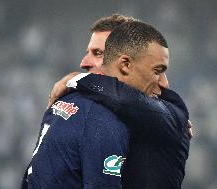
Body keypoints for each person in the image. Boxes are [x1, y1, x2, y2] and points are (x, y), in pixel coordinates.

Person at [64, 20, 190, 188]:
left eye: (99, 54)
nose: (164, 83)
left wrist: (76, 79)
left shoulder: (170, 110)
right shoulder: (95, 108)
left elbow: (125, 99)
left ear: (124, 63)